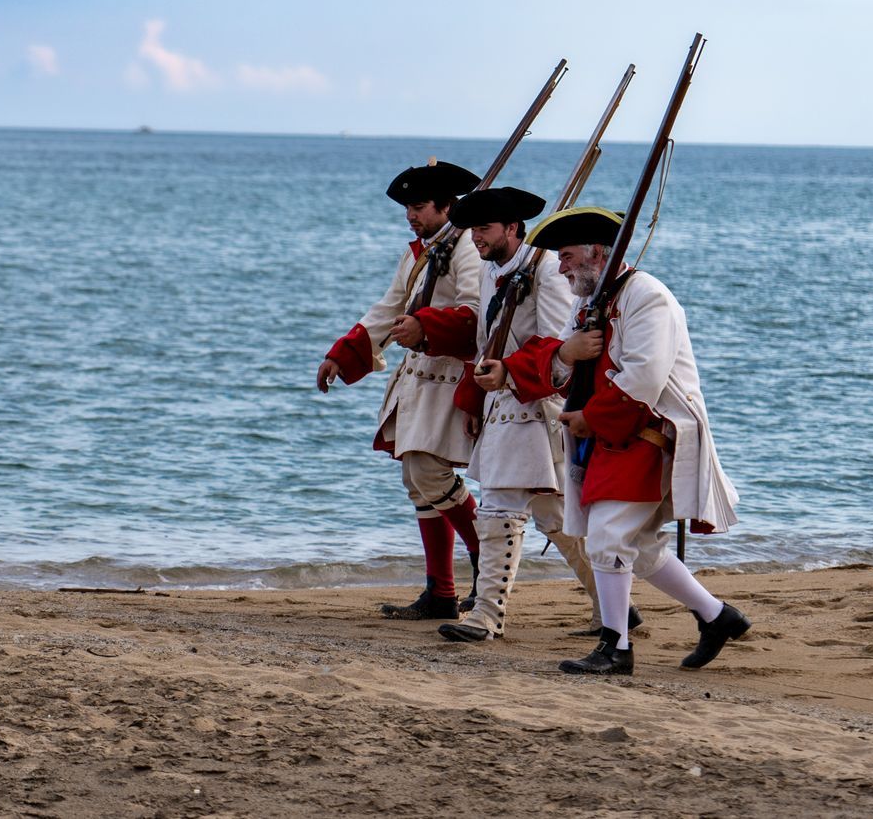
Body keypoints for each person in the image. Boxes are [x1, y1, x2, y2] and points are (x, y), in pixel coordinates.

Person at [518, 205, 751, 675]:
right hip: (611, 433)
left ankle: (616, 647)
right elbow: (563, 368)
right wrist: (568, 355)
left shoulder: (648, 296)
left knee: (607, 537)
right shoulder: (590, 303)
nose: (559, 267)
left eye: (565, 257)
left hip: (647, 431)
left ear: (596, 254)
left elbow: (644, 378)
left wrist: (587, 417)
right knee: (639, 547)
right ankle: (717, 616)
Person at [419, 187, 607, 643]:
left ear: (511, 228)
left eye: (483, 229)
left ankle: (487, 614)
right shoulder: (491, 271)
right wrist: (474, 400)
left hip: (534, 404)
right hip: (502, 405)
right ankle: (613, 604)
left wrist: (508, 374)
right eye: (472, 229)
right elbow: (487, 343)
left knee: (503, 510)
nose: (476, 238)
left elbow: (558, 344)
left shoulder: (544, 270)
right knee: (552, 515)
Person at [316, 160, 484, 620]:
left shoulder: (468, 246)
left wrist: (424, 326)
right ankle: (442, 592)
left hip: (449, 373)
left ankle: (484, 559)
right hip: (418, 375)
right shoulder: (420, 252)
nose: (411, 215)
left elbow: (474, 313)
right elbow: (391, 307)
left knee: (429, 473)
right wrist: (342, 352)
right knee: (417, 481)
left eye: (418, 206)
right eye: (408, 207)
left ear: (445, 206)